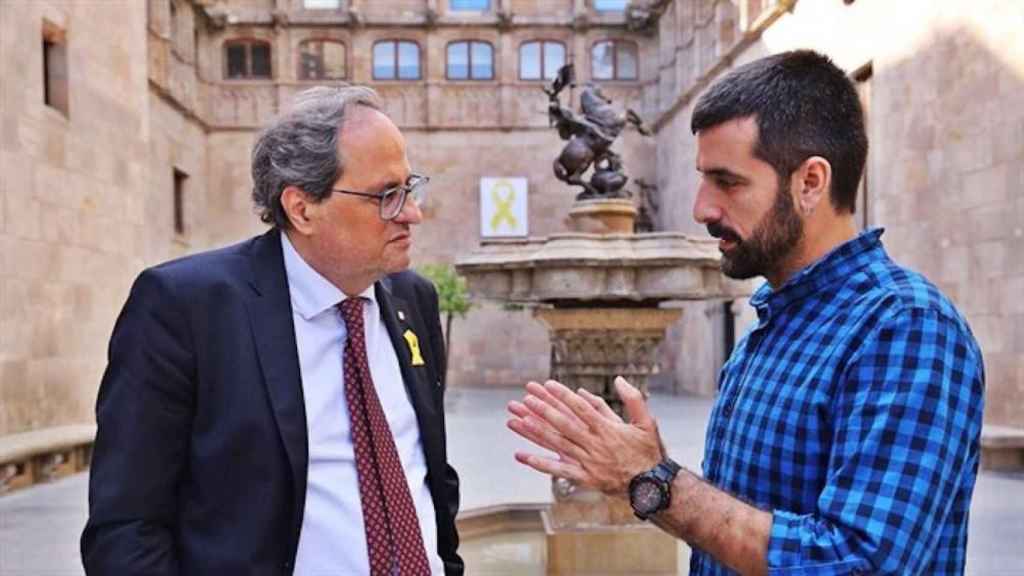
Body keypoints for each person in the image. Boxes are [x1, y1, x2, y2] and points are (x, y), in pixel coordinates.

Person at [508, 50, 985, 575]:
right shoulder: (776, 322)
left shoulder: (904, 328)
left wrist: (657, 484)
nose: (702, 208)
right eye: (702, 179)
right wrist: (647, 471)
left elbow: (858, 563)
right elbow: (734, 524)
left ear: (810, 182)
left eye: (727, 182)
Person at [81, 86, 463, 575]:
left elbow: (430, 474)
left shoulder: (414, 300)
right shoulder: (185, 308)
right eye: (386, 196)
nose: (412, 213)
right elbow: (127, 528)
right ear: (302, 208)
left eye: (409, 189)